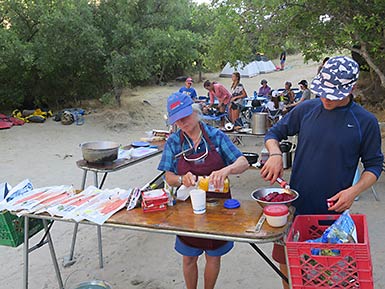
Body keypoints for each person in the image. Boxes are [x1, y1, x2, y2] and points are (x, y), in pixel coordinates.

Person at [260, 56, 383, 289]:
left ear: (352, 89)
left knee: (325, 270)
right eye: (322, 91)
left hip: (330, 214)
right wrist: (275, 155)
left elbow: (374, 165)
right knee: (288, 263)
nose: (325, 98)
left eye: (332, 94)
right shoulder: (306, 109)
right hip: (295, 208)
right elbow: (273, 134)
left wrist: (353, 191)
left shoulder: (364, 122)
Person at [158, 92, 249, 289]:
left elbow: (243, 162)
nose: (182, 123)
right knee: (189, 258)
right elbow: (169, 177)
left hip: (218, 210)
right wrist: (183, 178)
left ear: (195, 111)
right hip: (188, 211)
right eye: (177, 121)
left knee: (213, 257)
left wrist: (227, 169)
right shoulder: (174, 142)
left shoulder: (216, 136)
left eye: (185, 117)